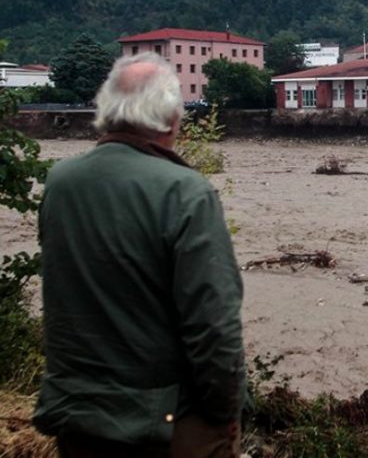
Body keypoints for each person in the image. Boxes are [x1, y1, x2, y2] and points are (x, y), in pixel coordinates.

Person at [34, 53, 246, 458]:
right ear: (171, 121)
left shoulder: (60, 183)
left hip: (77, 416)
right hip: (164, 426)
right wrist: (225, 413)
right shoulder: (186, 192)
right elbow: (214, 327)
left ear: (107, 112)